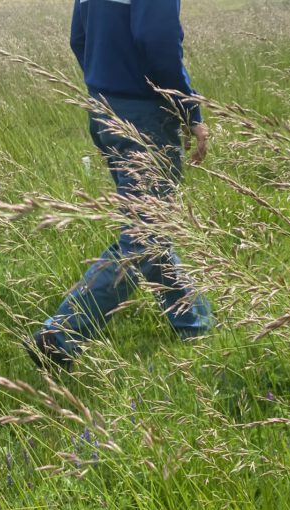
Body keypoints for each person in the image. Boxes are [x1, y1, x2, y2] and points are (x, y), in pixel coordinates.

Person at [26, 0, 214, 371]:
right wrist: (189, 110)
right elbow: (157, 38)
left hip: (104, 108)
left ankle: (195, 325)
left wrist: (105, 88)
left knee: (147, 229)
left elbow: (78, 38)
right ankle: (62, 334)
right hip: (144, 115)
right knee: (144, 236)